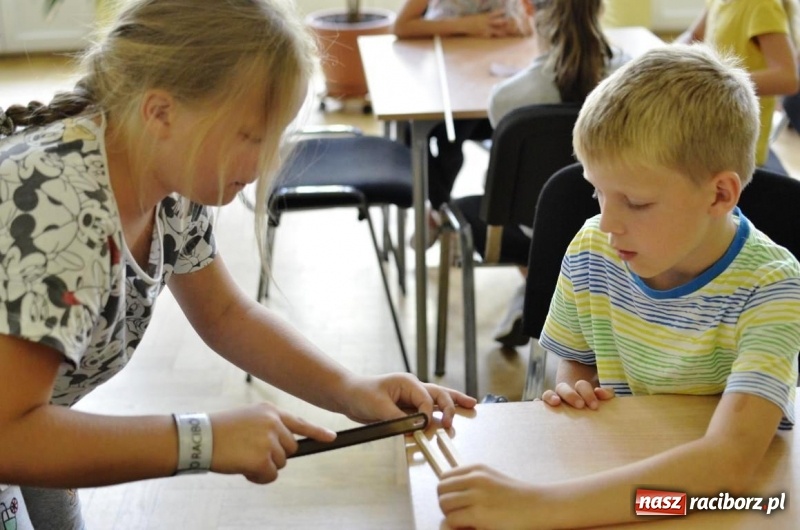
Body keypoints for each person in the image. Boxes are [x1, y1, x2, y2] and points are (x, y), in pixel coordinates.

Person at [0, 1, 477, 528]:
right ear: (160, 112)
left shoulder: (167, 178)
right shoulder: (61, 206)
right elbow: (9, 434)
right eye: (251, 137)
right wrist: (199, 439)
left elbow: (225, 315)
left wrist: (350, 389)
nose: (264, 163)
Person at [435, 44, 800, 529]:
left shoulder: (773, 286)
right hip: (620, 477)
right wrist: (576, 391)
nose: (607, 222)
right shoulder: (593, 249)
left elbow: (729, 464)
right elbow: (579, 364)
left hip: (732, 501)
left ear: (719, 194)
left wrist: (537, 506)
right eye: (597, 192)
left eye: (635, 202)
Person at [454, 0, 629, 348]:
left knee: (520, 204)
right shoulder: (632, 81)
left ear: (528, 8)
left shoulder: (508, 97)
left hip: (530, 232)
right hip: (619, 229)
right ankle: (540, 299)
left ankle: (535, 294)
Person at [393, 0, 532, 247]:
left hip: (492, 79)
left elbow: (537, 20)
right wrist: (467, 25)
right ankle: (443, 211)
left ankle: (440, 215)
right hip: (444, 77)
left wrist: (520, 25)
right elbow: (402, 26)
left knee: (455, 139)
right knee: (436, 139)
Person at [676, 0, 800, 174]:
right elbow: (693, 36)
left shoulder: (762, 6)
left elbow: (788, 78)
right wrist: (664, 59)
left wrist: (718, 82)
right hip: (712, 129)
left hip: (740, 143)